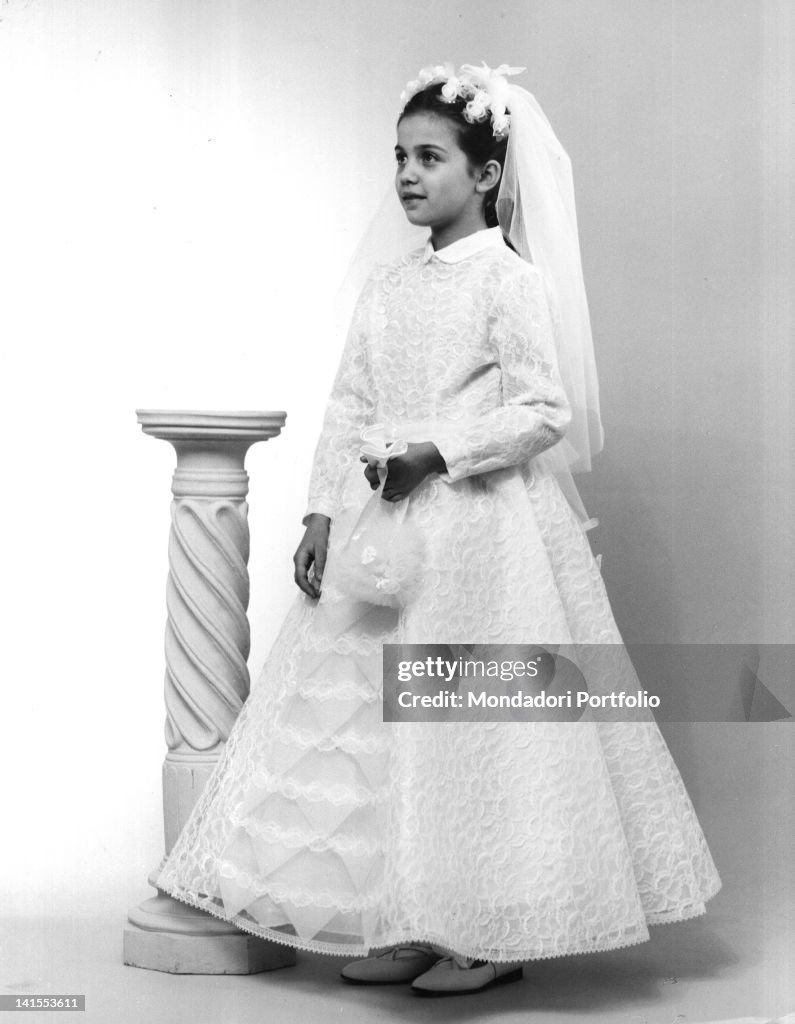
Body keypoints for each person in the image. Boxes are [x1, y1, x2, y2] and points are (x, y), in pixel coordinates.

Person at [155, 62, 721, 998]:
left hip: (481, 536)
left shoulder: (507, 281)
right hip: (385, 528)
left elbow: (542, 407)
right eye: (399, 158)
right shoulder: (388, 286)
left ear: (487, 174)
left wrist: (439, 452)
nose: (407, 175)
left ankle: (487, 931)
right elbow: (350, 404)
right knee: (382, 727)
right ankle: (410, 917)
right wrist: (320, 512)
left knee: (468, 729)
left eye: (429, 157)